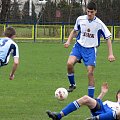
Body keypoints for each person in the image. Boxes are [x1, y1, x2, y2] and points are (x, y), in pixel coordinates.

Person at [64, 1, 115, 97]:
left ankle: (90, 98)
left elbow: (108, 38)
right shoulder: (80, 19)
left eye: (91, 12)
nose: (89, 14)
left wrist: (110, 54)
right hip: (79, 47)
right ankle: (72, 84)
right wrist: (68, 41)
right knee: (69, 64)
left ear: (95, 11)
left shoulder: (99, 24)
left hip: (90, 50)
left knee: (90, 73)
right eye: (88, 11)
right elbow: (74, 31)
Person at [46, 82, 120, 120]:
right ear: (117, 95)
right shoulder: (109, 102)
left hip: (112, 117)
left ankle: (96, 119)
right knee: (86, 98)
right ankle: (58, 116)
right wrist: (102, 93)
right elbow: (96, 105)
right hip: (102, 113)